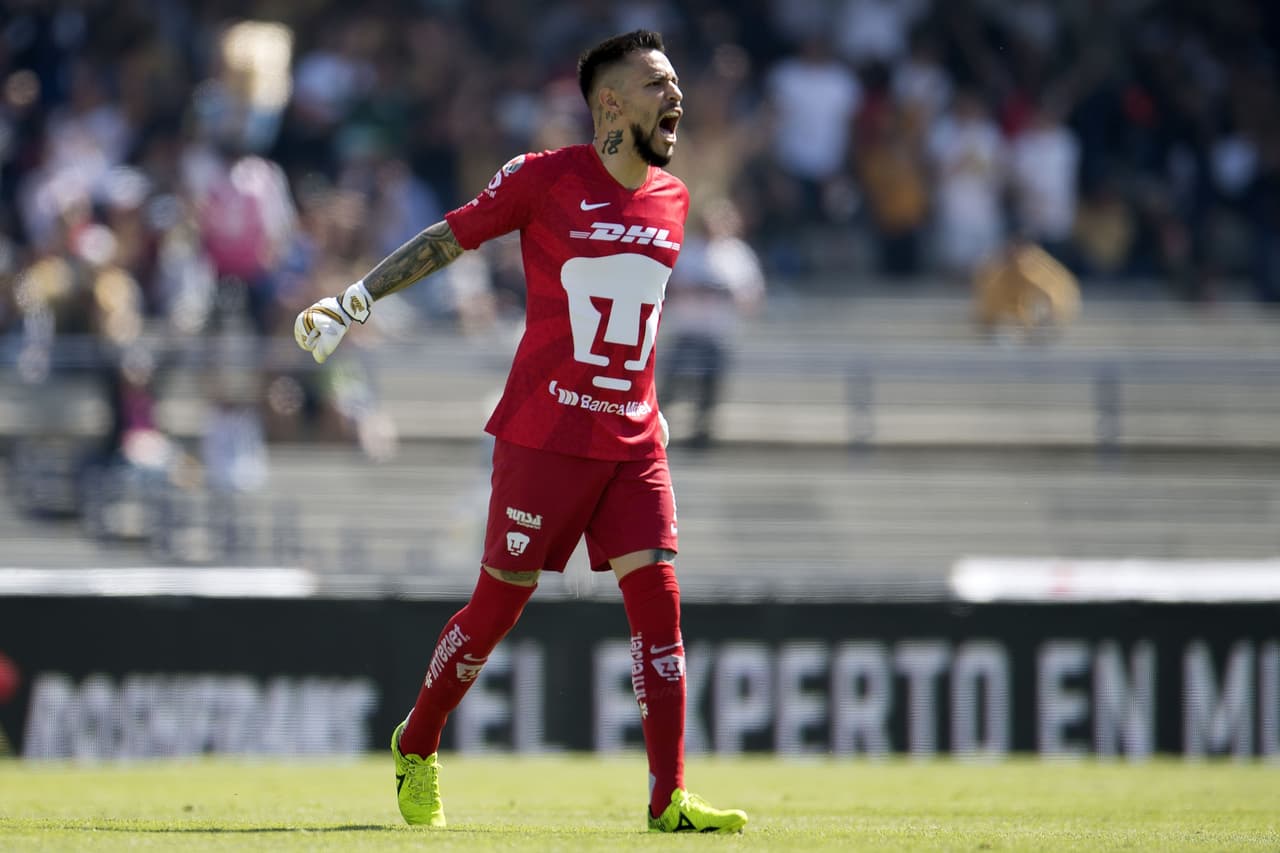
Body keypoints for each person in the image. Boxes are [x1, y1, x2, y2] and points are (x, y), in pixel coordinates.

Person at [293, 30, 748, 835]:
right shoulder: (545, 180)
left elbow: (636, 319)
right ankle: (418, 741)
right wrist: (353, 300)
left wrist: (646, 399)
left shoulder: (674, 202)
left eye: (676, 83)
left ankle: (667, 798)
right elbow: (449, 236)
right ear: (610, 103)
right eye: (658, 84)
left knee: (660, 606)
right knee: (497, 609)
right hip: (544, 435)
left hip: (634, 441)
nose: (676, 97)